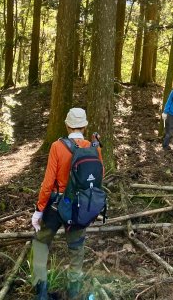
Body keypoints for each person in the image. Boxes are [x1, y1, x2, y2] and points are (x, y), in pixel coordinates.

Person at [31, 108, 103, 300]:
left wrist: (39, 209)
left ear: (67, 125)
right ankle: (73, 292)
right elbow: (97, 179)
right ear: (85, 126)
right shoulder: (93, 147)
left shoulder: (57, 146)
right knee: (76, 249)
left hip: (56, 204)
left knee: (40, 244)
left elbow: (48, 183)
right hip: (80, 207)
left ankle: (41, 293)